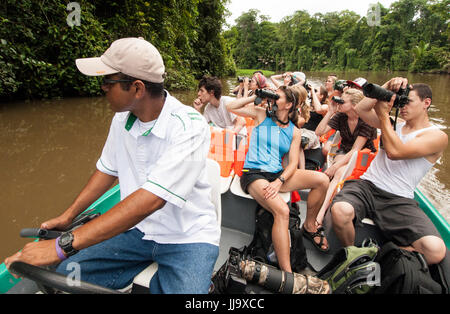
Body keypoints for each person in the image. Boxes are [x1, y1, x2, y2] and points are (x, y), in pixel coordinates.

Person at [4, 37, 221, 293]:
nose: (103, 88)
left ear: (137, 88)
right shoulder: (122, 120)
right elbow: (106, 171)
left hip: (188, 236)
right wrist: (68, 216)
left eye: (108, 81)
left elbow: (152, 199)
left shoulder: (190, 126)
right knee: (69, 277)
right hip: (138, 230)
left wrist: (60, 246)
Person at [330, 78, 448, 265]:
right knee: (340, 211)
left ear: (426, 103)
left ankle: (379, 254)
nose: (402, 106)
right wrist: (385, 87)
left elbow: (395, 152)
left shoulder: (437, 136)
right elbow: (361, 110)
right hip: (367, 186)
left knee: (435, 250)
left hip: (398, 199)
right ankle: (352, 255)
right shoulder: (396, 124)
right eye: (400, 101)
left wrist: (384, 116)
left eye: (407, 101)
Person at [226, 86, 330, 267]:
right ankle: (286, 273)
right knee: (282, 211)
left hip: (277, 174)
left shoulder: (294, 131)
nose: (273, 100)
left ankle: (310, 225)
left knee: (322, 180)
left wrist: (278, 181)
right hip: (255, 172)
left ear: (289, 104)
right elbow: (232, 106)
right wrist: (256, 97)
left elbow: (292, 164)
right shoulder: (261, 115)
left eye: (278, 97)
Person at [315, 88, 377, 225]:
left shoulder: (366, 121)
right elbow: (319, 132)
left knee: (338, 172)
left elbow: (356, 149)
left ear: (355, 105)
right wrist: (330, 112)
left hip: (363, 157)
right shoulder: (341, 117)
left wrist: (336, 166)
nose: (339, 103)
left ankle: (322, 211)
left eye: (342, 101)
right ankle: (327, 202)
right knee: (337, 171)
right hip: (345, 152)